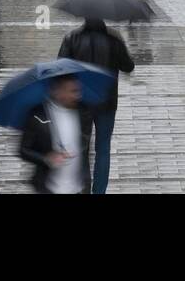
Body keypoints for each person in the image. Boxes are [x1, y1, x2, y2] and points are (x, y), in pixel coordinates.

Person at [57, 19, 134, 195]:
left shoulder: (72, 38)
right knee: (103, 148)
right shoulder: (113, 39)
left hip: (80, 102)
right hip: (107, 102)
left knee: (81, 148)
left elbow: (60, 68)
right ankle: (99, 191)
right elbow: (128, 66)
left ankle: (83, 190)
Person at [19, 74, 90, 194]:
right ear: (58, 91)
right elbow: (23, 149)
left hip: (77, 188)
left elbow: (84, 145)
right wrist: (46, 158)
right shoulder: (38, 115)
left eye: (78, 90)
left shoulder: (82, 111)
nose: (78, 95)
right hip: (49, 188)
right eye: (73, 91)